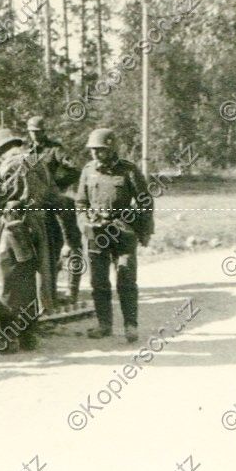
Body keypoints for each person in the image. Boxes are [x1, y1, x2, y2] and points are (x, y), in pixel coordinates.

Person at [74, 128, 154, 342]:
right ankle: (104, 325)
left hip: (123, 232)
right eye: (93, 150)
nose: (95, 154)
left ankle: (130, 325)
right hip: (96, 232)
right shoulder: (88, 171)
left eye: (100, 150)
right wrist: (83, 222)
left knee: (126, 277)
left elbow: (145, 202)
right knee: (99, 281)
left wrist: (142, 229)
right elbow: (80, 203)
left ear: (111, 150)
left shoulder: (128, 170)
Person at [0, 128, 54, 351]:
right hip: (37, 225)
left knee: (6, 281)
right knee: (31, 280)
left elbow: (0, 197)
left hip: (12, 226)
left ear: (0, 150)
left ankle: (8, 339)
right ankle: (29, 336)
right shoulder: (37, 162)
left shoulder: (10, 166)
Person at [26, 115, 83, 304]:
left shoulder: (55, 150)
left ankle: (72, 292)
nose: (35, 135)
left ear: (44, 132)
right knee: (47, 247)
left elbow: (74, 169)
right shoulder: (27, 152)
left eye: (38, 132)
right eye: (32, 132)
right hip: (39, 207)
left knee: (71, 245)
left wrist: (57, 185)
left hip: (58, 204)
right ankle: (49, 293)